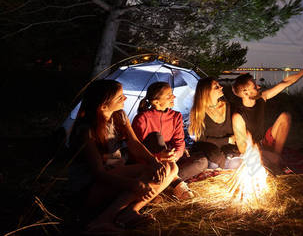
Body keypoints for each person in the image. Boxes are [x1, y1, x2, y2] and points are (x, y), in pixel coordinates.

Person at [68, 80, 177, 233]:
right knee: (149, 180)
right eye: (120, 97)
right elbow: (98, 173)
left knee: (170, 167)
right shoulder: (87, 130)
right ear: (103, 106)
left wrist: (154, 161)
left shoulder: (119, 115)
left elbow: (134, 143)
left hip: (115, 171)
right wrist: (132, 184)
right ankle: (102, 220)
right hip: (90, 186)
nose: (125, 98)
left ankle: (129, 213)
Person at [231, 65, 303, 171]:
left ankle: (276, 156)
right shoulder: (238, 116)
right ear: (246, 93)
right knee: (258, 162)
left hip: (264, 142)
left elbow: (285, 82)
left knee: (285, 117)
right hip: (252, 150)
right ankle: (273, 159)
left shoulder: (262, 98)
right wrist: (260, 152)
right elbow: (242, 148)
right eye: (254, 87)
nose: (259, 86)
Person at [132, 82, 203, 199]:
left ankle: (165, 181)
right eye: (169, 95)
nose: (173, 97)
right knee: (156, 137)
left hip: (172, 162)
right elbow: (138, 149)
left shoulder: (176, 116)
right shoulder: (142, 119)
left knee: (202, 161)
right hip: (151, 162)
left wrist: (174, 156)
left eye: (172, 94)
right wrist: (159, 157)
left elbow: (179, 142)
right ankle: (176, 183)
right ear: (156, 102)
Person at [188, 77, 239, 169]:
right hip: (209, 151)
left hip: (228, 149)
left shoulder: (230, 107)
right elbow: (200, 139)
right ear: (206, 92)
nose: (221, 87)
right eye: (216, 87)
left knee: (237, 161)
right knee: (214, 163)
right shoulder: (198, 112)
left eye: (219, 85)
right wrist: (228, 140)